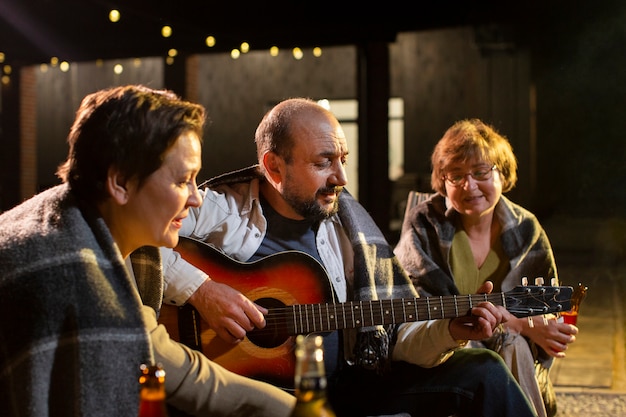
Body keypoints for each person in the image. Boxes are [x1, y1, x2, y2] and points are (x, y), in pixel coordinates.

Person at [161, 98, 538, 417]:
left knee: (484, 369)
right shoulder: (218, 211)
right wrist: (202, 291)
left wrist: (451, 331)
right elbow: (132, 242)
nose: (341, 177)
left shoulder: (349, 228)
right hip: (257, 395)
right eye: (323, 162)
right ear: (274, 166)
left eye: (342, 159)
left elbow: (395, 333)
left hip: (350, 387)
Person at [0, 85, 295, 417]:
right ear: (120, 183)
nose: (196, 198)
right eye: (183, 180)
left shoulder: (75, 220)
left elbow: (163, 357)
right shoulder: (79, 285)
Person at [394, 118, 578, 417]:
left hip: (514, 355)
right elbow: (412, 307)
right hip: (446, 352)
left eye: (481, 172)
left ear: (502, 175)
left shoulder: (526, 228)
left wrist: (550, 328)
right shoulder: (425, 223)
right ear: (443, 182)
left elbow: (546, 306)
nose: (470, 185)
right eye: (456, 176)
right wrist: (514, 322)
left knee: (513, 344)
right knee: (512, 337)